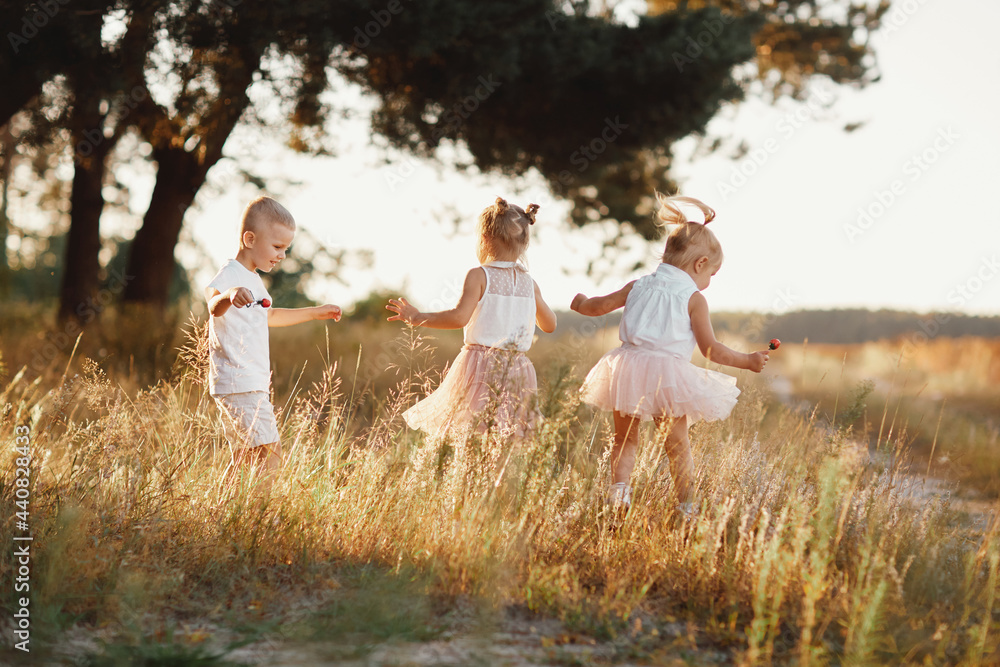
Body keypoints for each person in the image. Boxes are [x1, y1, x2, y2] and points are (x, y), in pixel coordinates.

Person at [571, 193, 768, 513]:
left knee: (625, 439)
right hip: (667, 376)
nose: (708, 283)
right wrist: (747, 360)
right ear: (699, 264)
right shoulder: (693, 298)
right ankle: (686, 508)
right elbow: (710, 349)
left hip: (627, 367)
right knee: (677, 444)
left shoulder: (639, 285)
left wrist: (580, 303)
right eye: (710, 276)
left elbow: (600, 306)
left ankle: (619, 496)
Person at [386, 197, 557, 439]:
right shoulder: (530, 284)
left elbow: (458, 317)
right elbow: (550, 325)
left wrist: (417, 316)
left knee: (470, 432)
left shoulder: (479, 275)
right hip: (517, 367)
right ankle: (495, 476)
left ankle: (469, 476)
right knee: (504, 437)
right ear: (524, 242)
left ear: (484, 238)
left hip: (480, 364)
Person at [206, 195, 342, 481]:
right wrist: (229, 296)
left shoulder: (255, 280)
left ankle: (221, 514)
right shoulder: (231, 273)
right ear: (250, 239)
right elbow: (213, 305)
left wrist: (315, 313)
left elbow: (270, 316)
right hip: (238, 380)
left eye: (286, 249)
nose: (282, 255)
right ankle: (263, 514)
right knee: (270, 451)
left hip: (247, 382)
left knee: (246, 455)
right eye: (277, 246)